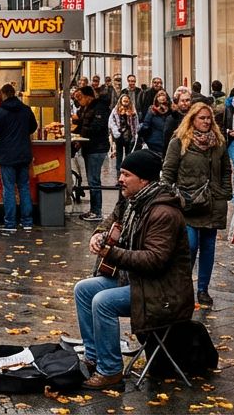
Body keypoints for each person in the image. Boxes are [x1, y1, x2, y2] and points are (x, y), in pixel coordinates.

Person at [76, 150, 194, 389]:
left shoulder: (164, 212)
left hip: (163, 291)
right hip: (136, 280)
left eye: (126, 174)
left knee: (103, 302)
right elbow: (111, 220)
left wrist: (111, 253)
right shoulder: (132, 201)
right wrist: (99, 234)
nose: (120, 179)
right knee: (84, 290)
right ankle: (93, 357)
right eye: (120, 173)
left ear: (144, 180)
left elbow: (155, 260)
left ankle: (110, 371)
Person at [161, 101, 231, 308]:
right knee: (189, 245)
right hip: (188, 203)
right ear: (192, 119)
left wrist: (225, 191)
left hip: (212, 203)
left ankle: (203, 289)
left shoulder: (218, 143)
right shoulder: (179, 143)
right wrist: (170, 197)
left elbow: (226, 170)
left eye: (209, 118)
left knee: (208, 247)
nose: (206, 122)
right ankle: (184, 287)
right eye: (202, 118)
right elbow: (168, 173)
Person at [0, 84, 38, 233]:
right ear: (14, 93)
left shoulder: (0, 112)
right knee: (24, 187)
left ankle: (10, 223)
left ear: (3, 95)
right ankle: (27, 221)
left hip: (7, 155)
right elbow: (33, 127)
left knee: (9, 189)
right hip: (24, 154)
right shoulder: (26, 110)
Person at [74, 85, 111, 222]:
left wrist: (81, 136)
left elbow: (96, 127)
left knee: (94, 179)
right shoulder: (87, 108)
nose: (79, 101)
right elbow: (84, 124)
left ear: (88, 96)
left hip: (97, 148)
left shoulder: (99, 108)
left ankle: (97, 211)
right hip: (90, 147)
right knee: (91, 179)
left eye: (80, 98)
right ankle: (94, 209)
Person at [109, 93, 139, 176]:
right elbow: (111, 122)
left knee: (128, 156)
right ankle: (119, 176)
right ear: (121, 101)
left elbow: (136, 123)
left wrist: (136, 133)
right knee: (119, 156)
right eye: (124, 100)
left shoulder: (132, 111)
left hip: (129, 136)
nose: (125, 101)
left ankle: (127, 174)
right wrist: (115, 131)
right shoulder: (116, 110)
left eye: (127, 100)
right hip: (119, 136)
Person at [138, 89, 174, 156]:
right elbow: (145, 126)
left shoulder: (171, 111)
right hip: (154, 144)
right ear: (156, 98)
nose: (162, 97)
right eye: (159, 95)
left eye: (163, 95)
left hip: (168, 144)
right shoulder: (152, 111)